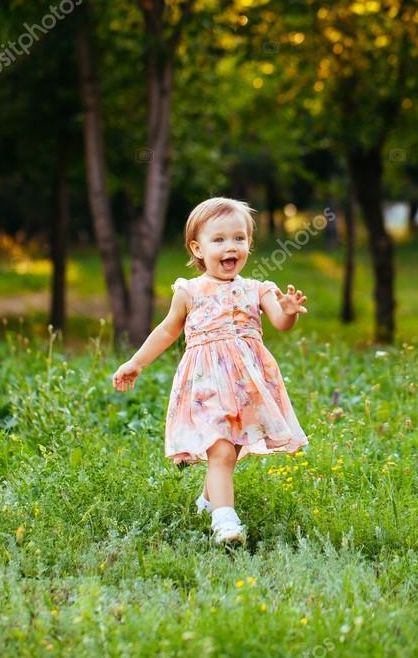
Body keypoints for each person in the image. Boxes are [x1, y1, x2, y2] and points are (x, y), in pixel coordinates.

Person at [111, 197, 310, 544]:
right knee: (219, 449)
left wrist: (289, 310)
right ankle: (224, 521)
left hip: (245, 386)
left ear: (249, 244)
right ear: (197, 248)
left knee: (230, 450)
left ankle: (207, 499)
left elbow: (280, 322)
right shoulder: (189, 291)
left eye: (238, 238)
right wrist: (136, 363)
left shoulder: (257, 289)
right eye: (218, 240)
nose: (230, 246)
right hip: (204, 386)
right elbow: (167, 330)